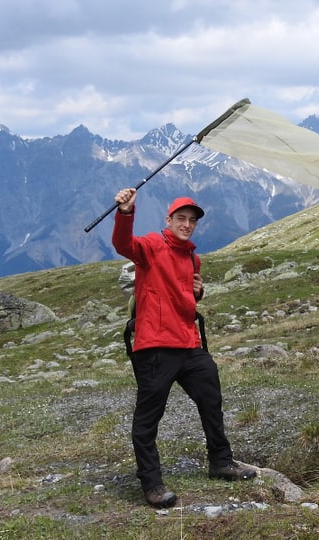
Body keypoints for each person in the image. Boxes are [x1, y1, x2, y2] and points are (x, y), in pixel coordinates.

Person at [112, 188, 256, 509]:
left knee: (211, 398)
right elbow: (124, 245)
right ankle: (151, 483)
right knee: (149, 416)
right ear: (169, 219)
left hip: (190, 344)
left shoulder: (192, 257)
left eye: (192, 220)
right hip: (156, 346)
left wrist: (198, 291)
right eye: (181, 218)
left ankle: (221, 462)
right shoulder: (151, 245)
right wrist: (125, 214)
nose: (187, 224)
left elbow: (183, 298)